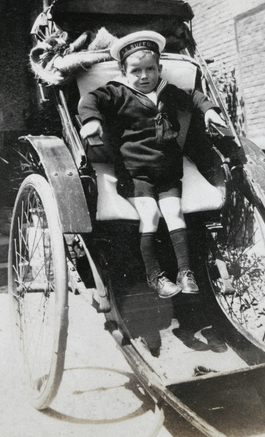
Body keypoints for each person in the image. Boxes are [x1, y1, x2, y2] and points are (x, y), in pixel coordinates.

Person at [78, 31, 225, 298]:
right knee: (151, 215)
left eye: (150, 70)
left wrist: (209, 110)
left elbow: (193, 96)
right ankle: (155, 276)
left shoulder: (167, 91)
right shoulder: (117, 92)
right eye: (136, 71)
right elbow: (90, 100)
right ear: (123, 71)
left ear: (159, 69)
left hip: (167, 171)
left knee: (174, 213)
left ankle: (184, 272)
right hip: (135, 173)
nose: (144, 76)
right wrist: (92, 120)